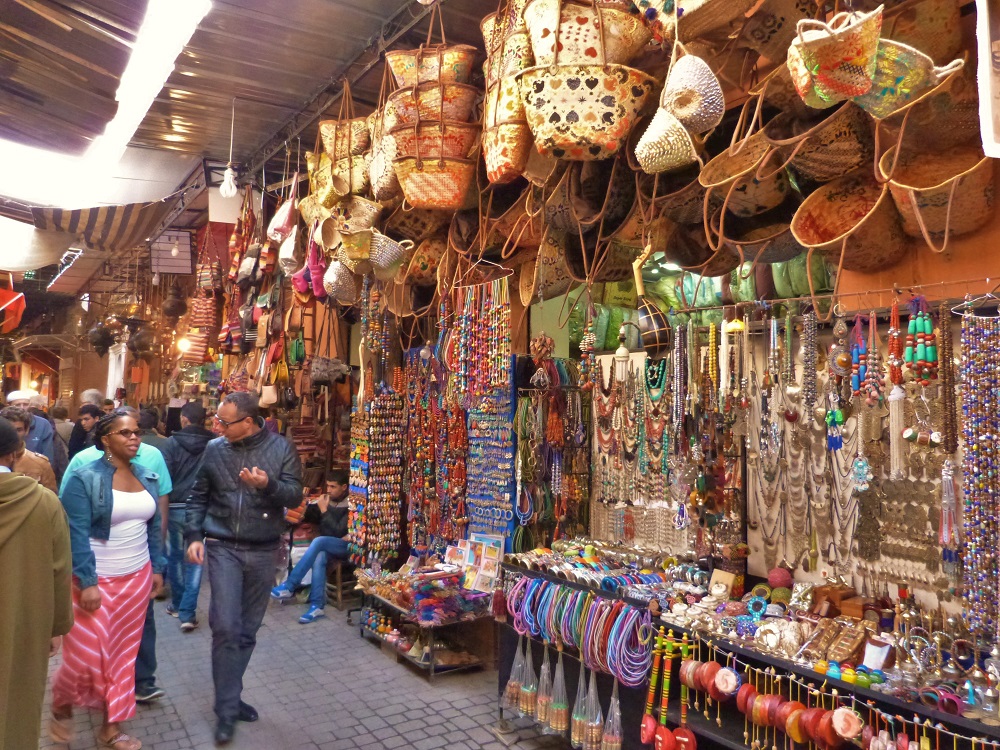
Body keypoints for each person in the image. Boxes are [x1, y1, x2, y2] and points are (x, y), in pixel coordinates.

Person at [185, 392, 302, 746]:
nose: (217, 426)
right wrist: (193, 534)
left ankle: (231, 698)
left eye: (224, 421)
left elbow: (295, 496)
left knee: (248, 629)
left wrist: (267, 485)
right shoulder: (215, 449)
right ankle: (225, 710)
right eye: (217, 420)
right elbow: (198, 495)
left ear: (248, 422)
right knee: (225, 627)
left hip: (264, 548)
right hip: (223, 548)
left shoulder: (282, 449)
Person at [51, 410, 165, 750]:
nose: (134, 438)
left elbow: (154, 526)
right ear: (106, 439)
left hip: (136, 579)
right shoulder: (84, 478)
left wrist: (157, 567)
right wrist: (86, 581)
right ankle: (61, 703)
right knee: (83, 657)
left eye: (137, 432)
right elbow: (76, 533)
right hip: (95, 580)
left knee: (122, 657)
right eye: (125, 433)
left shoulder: (148, 476)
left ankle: (110, 729)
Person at [0, 416, 73, 750]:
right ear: (16, 452)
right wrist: (56, 626)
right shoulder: (45, 502)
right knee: (17, 702)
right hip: (23, 623)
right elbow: (59, 568)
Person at [159, 401, 213, 631]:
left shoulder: (171, 444)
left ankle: (180, 604)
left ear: (184, 419)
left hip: (174, 507)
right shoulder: (214, 444)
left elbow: (165, 478)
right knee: (196, 558)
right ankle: (188, 612)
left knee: (175, 557)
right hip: (201, 508)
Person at [271, 469, 350, 623]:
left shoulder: (351, 505)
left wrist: (324, 510)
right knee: (319, 556)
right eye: (328, 486)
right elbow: (321, 526)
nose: (329, 490)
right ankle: (317, 606)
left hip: (348, 547)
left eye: (333, 487)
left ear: (344, 487)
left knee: (319, 542)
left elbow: (337, 531)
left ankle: (290, 585)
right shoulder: (327, 500)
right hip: (331, 544)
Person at [0, 406, 57, 492]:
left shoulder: (40, 464)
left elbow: (50, 499)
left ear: (27, 430)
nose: (13, 435)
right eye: (10, 430)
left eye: (18, 430)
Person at [7, 389, 56, 466]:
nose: (22, 408)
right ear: (9, 406)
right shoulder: (2, 423)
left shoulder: (43, 424)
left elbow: (48, 455)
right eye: (17, 405)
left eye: (25, 404)